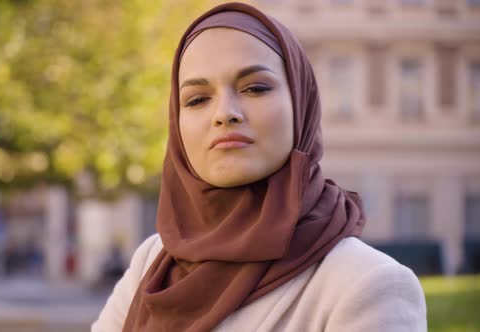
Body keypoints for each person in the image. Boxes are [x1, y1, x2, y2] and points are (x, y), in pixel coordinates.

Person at [92, 2, 427, 331]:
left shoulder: (367, 284)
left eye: (255, 88)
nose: (225, 113)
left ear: (300, 103)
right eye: (197, 99)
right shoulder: (152, 262)